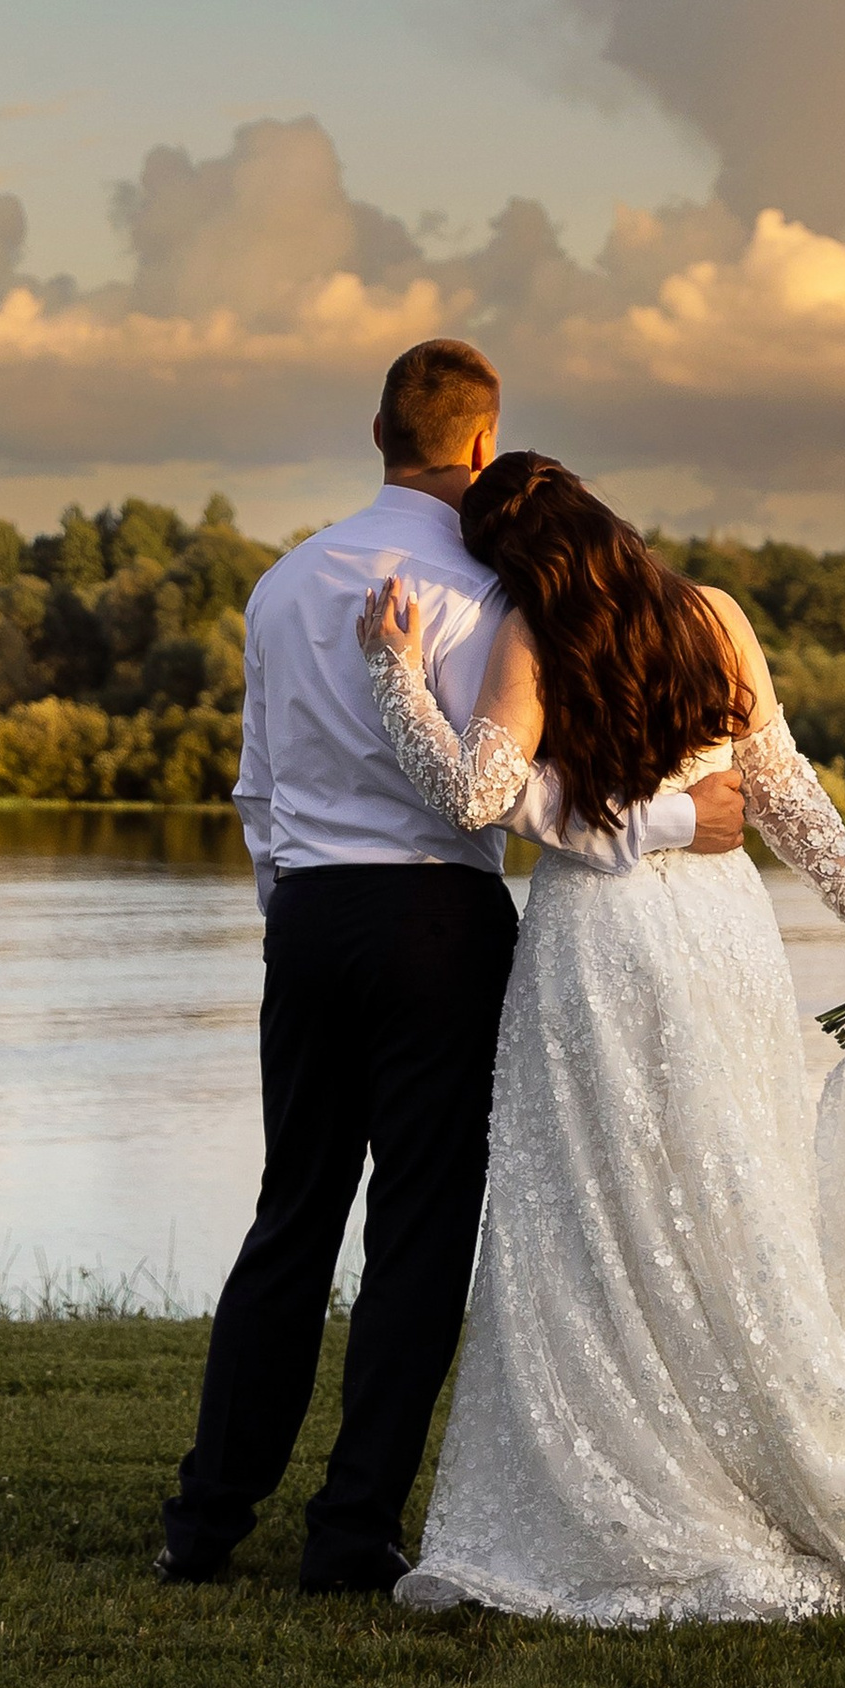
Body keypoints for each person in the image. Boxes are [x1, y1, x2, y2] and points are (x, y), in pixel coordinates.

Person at [354, 448, 845, 1626]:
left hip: (599, 945)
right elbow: (786, 797)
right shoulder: (713, 615)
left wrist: (394, 673)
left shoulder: (525, 634)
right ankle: (779, 1462)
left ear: (515, 558)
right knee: (738, 1195)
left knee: (599, 1212)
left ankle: (662, 1481)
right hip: (721, 939)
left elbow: (476, 795)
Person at [158, 341, 747, 1593]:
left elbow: (256, 791)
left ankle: (207, 1519)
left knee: (291, 1215)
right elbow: (508, 799)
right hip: (437, 924)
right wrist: (675, 822)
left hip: (311, 920)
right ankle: (351, 1527)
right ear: (483, 444)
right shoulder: (492, 593)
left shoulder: (279, 584)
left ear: (378, 429)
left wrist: (289, 913)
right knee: (419, 1231)